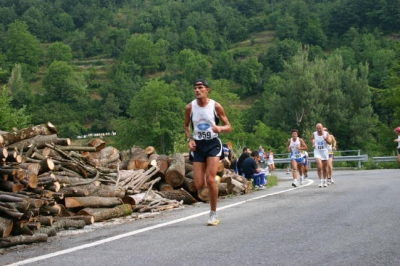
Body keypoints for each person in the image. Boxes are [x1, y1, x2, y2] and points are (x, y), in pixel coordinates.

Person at [184, 78, 232, 226]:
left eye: (201, 87)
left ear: (207, 90)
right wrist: (189, 140)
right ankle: (214, 182)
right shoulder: (189, 107)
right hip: (198, 146)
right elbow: (186, 126)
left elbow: (228, 126)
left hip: (213, 144)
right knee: (199, 185)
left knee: (210, 180)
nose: (197, 90)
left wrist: (220, 129)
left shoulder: (215, 106)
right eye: (195, 88)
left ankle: (213, 214)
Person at [311, 123, 332, 188]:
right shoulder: (314, 134)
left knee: (325, 168)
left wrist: (326, 139)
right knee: (319, 166)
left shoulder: (326, 134)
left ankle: (325, 181)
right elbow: (312, 139)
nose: (319, 130)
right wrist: (313, 143)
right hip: (317, 151)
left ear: (322, 128)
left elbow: (330, 142)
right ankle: (320, 181)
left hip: (324, 152)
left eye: (320, 128)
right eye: (317, 128)